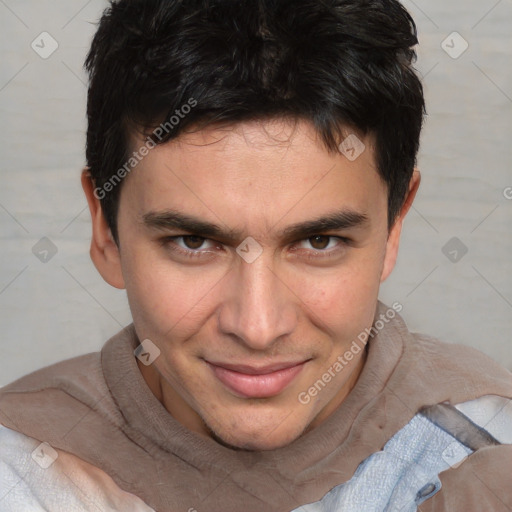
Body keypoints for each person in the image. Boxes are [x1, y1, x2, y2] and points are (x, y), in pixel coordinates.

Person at [1, 0, 511, 510]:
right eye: (194, 242)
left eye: (318, 241)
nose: (258, 327)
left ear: (394, 225)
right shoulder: (18, 471)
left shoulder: (491, 456)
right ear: (105, 231)